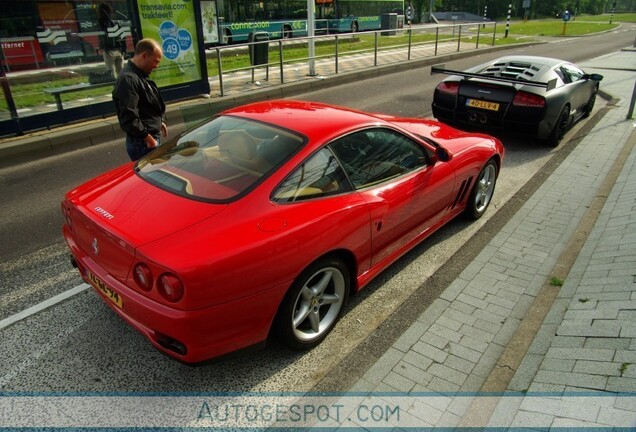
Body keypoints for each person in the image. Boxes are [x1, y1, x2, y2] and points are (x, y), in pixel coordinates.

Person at [112, 38, 167, 161]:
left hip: (147, 139)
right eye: (155, 61)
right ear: (144, 56)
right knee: (152, 175)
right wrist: (148, 138)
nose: (156, 66)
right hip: (143, 143)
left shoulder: (138, 75)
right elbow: (129, 116)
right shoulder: (128, 80)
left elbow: (145, 105)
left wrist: (158, 122)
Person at [97, 3, 124, 77]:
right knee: (121, 72)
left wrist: (103, 48)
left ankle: (116, 87)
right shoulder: (115, 20)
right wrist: (123, 49)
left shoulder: (101, 22)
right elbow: (121, 34)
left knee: (111, 73)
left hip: (109, 50)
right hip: (118, 49)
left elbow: (103, 36)